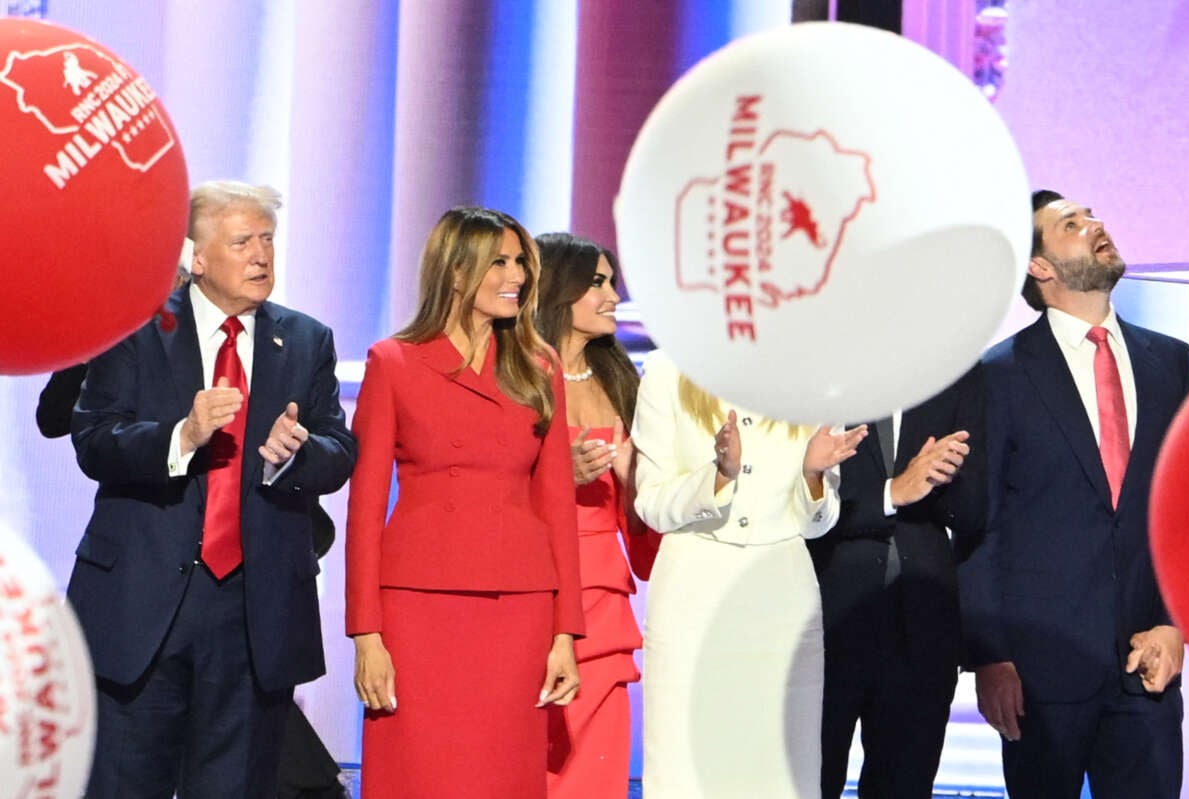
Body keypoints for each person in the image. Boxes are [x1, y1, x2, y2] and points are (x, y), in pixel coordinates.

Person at [69, 180, 357, 798]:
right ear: (197, 258)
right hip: (141, 607)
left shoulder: (306, 340)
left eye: (267, 240)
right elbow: (94, 440)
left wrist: (298, 455)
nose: (261, 255)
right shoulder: (134, 331)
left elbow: (340, 452)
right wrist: (183, 434)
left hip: (253, 617)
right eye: (242, 241)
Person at [959, 190, 1189, 798]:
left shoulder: (1172, 361)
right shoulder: (998, 375)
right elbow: (980, 528)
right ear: (1039, 267)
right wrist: (990, 657)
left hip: (1147, 671)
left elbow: (1185, 513)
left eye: (1092, 215)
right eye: (1071, 224)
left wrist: (1175, 625)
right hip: (1040, 680)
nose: (1095, 224)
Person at [345, 207, 584, 798]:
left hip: (518, 607)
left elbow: (557, 503)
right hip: (417, 608)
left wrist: (565, 634)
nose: (519, 276)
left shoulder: (537, 366)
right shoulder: (393, 362)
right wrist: (366, 635)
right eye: (499, 263)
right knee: (417, 773)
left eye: (520, 263)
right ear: (456, 273)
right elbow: (365, 509)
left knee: (501, 776)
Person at [631, 350, 867, 797]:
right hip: (693, 598)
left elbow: (818, 522)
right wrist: (719, 475)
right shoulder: (667, 371)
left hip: (781, 597)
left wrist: (814, 475)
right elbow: (652, 504)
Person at [808, 367, 986, 799]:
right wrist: (893, 493)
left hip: (923, 625)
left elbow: (974, 513)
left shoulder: (958, 373)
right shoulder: (814, 371)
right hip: (826, 620)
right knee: (808, 781)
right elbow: (794, 501)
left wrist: (943, 475)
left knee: (905, 783)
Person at [534, 232, 659, 797]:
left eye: (613, 283)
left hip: (603, 592)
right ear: (560, 289)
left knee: (598, 759)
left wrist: (638, 483)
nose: (613, 296)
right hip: (530, 584)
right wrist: (561, 477)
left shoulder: (626, 381)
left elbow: (641, 510)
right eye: (598, 283)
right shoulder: (516, 374)